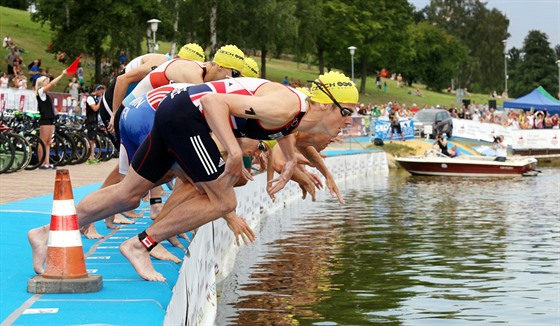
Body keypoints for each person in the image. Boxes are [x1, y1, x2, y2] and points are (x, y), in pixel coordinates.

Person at [28, 71, 359, 281]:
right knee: (224, 199)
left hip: (174, 112)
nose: (348, 122)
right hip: (188, 119)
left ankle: (45, 232)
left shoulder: (295, 107)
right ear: (327, 105)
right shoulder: (285, 106)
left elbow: (285, 128)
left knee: (128, 193)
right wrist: (231, 151)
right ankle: (141, 245)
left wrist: (288, 160)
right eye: (346, 114)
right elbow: (215, 103)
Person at [35, 70, 67, 169]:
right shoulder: (40, 91)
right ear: (41, 83)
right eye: (46, 81)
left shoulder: (47, 95)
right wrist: (62, 74)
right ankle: (41, 162)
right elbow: (53, 84)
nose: (48, 83)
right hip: (44, 119)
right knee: (43, 141)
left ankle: (47, 162)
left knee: (48, 142)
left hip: (50, 119)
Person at [85, 85, 105, 163]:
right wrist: (101, 101)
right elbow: (95, 108)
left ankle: (92, 156)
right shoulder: (90, 98)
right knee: (90, 140)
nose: (101, 94)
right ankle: (88, 156)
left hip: (95, 120)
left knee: (92, 140)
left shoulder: (95, 98)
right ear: (98, 90)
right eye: (101, 92)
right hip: (90, 121)